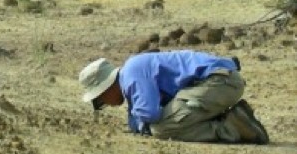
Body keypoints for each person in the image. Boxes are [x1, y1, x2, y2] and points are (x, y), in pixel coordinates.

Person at [79, 50, 269, 144]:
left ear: (107, 88)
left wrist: (138, 125)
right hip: (220, 82)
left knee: (161, 128)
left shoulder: (131, 74)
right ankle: (235, 120)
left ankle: (231, 127)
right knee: (168, 118)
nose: (106, 104)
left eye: (100, 100)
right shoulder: (132, 73)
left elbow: (148, 114)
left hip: (220, 82)